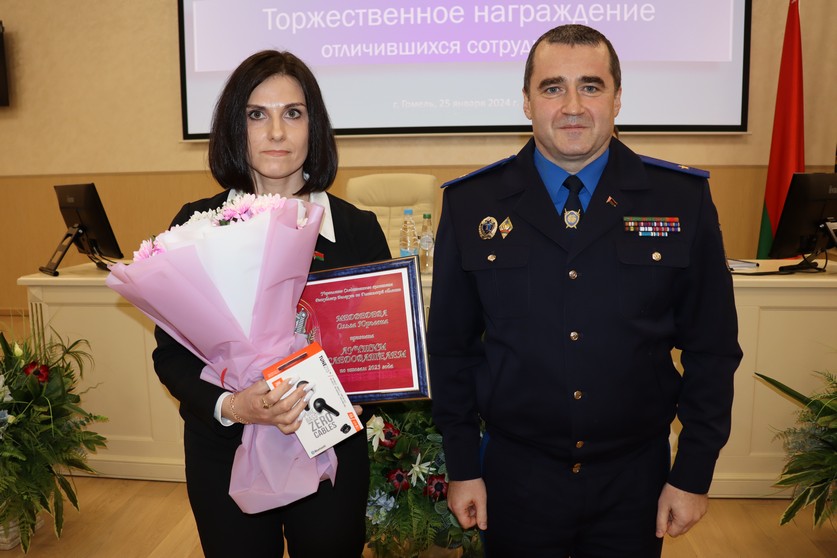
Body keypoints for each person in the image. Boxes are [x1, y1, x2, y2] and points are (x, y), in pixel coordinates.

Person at [427, 24, 742, 557]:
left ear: (617, 99)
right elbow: (451, 350)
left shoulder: (679, 198)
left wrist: (693, 471)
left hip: (634, 480)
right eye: (553, 88)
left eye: (591, 87)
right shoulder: (472, 203)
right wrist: (462, 465)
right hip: (515, 477)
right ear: (526, 101)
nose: (572, 106)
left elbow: (712, 349)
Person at [152, 50, 390, 557]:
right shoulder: (195, 227)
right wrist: (235, 406)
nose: (276, 132)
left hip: (328, 445)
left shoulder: (357, 231)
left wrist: (364, 391)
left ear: (314, 126)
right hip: (225, 450)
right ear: (233, 128)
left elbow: (379, 354)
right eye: (257, 114)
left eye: (293, 113)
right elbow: (170, 357)